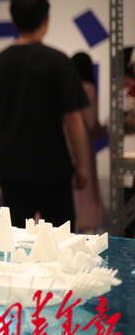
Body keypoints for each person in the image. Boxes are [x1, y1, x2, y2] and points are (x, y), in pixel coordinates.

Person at [0, 0, 90, 228]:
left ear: (14, 22)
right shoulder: (59, 62)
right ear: (46, 21)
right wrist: (82, 165)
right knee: (60, 242)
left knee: (15, 240)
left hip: (12, 171)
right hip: (54, 170)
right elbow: (73, 120)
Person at [69, 52, 105, 233]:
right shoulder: (88, 89)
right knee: (86, 191)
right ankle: (87, 226)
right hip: (83, 146)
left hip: (65, 145)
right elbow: (91, 124)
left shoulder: (66, 88)